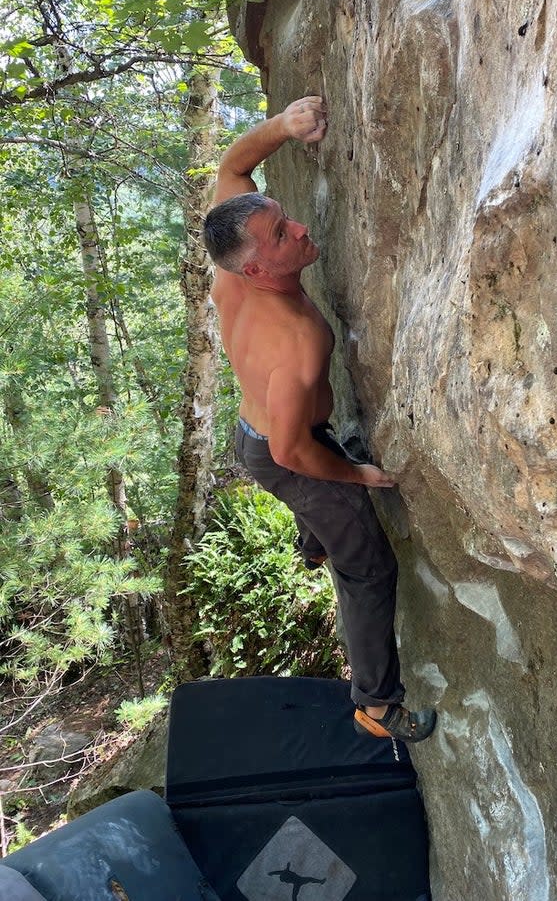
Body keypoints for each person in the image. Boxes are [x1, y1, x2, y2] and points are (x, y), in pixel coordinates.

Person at [203, 95, 436, 742]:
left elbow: (233, 165)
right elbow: (291, 453)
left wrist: (282, 127)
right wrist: (359, 477)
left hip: (261, 435)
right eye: (282, 235)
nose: (301, 230)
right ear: (256, 267)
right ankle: (375, 706)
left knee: (310, 484)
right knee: (367, 568)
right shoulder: (295, 345)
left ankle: (313, 537)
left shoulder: (232, 265)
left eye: (285, 218)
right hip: (286, 450)